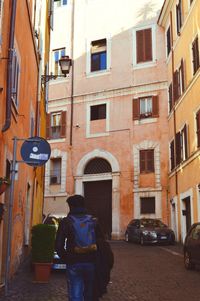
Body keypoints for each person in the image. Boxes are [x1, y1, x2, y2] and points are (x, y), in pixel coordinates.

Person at [55, 194, 104, 301]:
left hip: (74, 262)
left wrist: (66, 258)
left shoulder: (66, 222)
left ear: (70, 206)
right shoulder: (93, 221)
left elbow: (58, 245)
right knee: (89, 294)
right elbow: (102, 243)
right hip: (91, 262)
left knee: (75, 295)